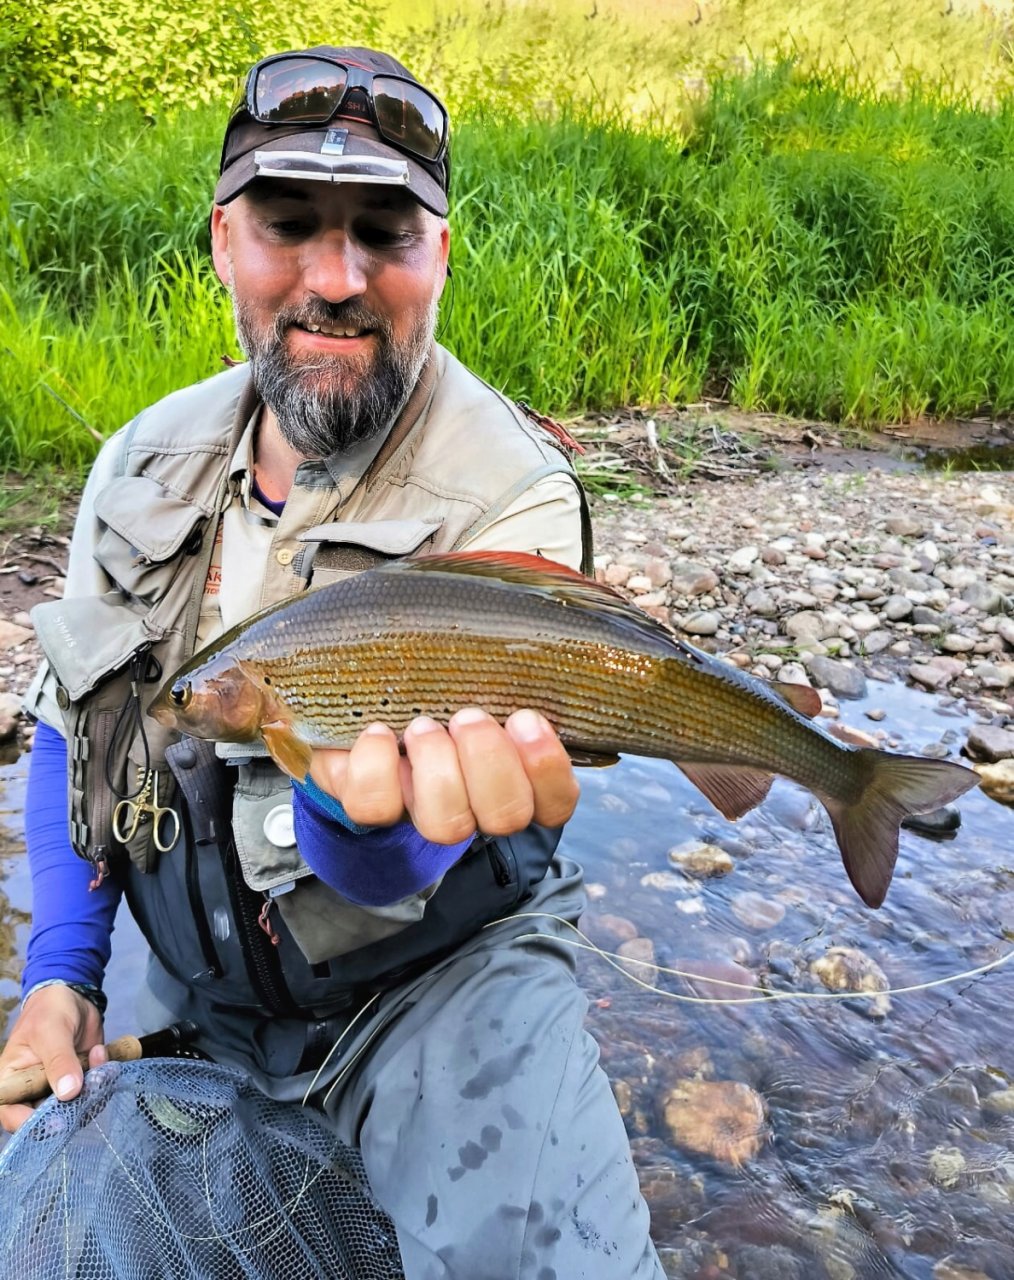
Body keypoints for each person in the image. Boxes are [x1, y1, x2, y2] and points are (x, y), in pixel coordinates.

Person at [0, 44, 664, 1278]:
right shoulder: (138, 463)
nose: (337, 277)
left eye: (385, 233)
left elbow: (424, 843)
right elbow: (72, 727)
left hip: (443, 988)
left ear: (442, 256)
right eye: (290, 223)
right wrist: (61, 974)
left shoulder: (510, 489)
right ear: (222, 243)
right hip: (193, 982)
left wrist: (363, 827)